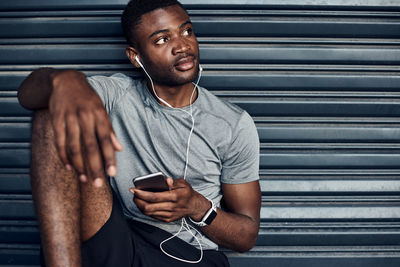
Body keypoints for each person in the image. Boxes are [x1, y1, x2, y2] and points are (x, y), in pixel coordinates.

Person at [17, 0, 261, 266]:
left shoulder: (232, 123)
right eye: (162, 40)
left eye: (187, 31)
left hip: (192, 256)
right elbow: (27, 95)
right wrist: (64, 79)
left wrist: (196, 206)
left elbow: (246, 236)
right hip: (120, 239)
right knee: (52, 108)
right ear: (136, 56)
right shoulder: (117, 95)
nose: (182, 45)